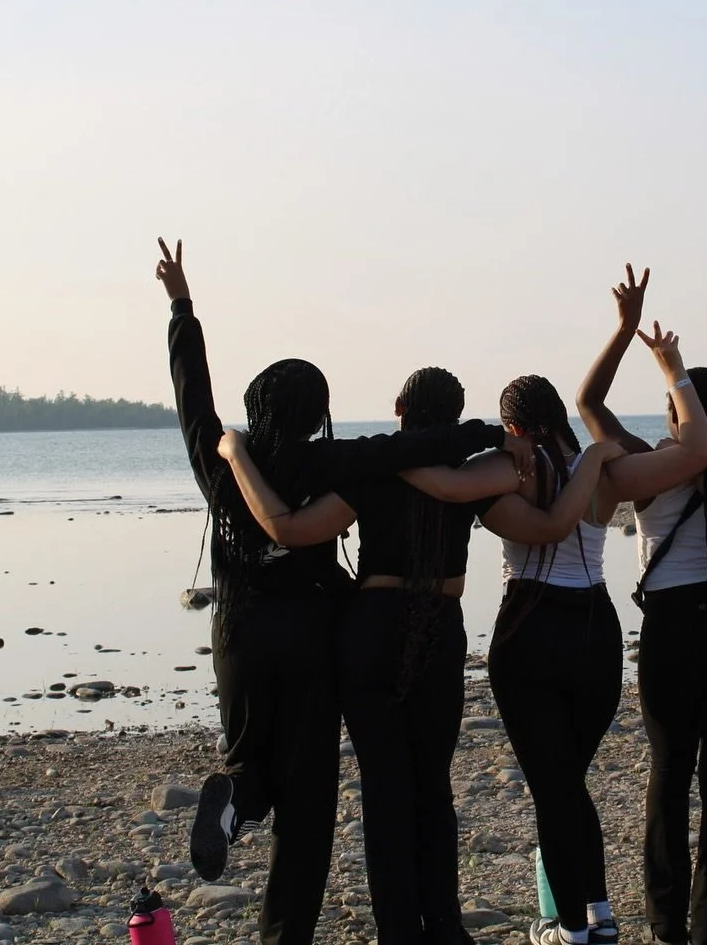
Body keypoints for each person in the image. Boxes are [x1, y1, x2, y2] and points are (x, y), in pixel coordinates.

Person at [154, 239, 530, 945]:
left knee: (251, 758)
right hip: (315, 636)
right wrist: (485, 435)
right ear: (316, 412)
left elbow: (190, 398)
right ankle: (290, 934)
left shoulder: (219, 461)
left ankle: (235, 792)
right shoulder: (331, 459)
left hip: (239, 636)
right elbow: (403, 451)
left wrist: (182, 312)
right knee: (310, 805)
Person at [218, 366, 624, 945]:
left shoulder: (371, 475)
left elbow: (290, 531)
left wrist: (236, 455)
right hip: (440, 627)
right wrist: (584, 462)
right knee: (433, 788)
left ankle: (400, 932)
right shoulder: (467, 484)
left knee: (385, 792)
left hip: (371, 630)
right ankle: (446, 926)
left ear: (402, 408)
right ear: (454, 418)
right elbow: (547, 527)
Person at [406, 323, 707, 945]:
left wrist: (384, 462)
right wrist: (672, 369)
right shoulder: (602, 472)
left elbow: (450, 487)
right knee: (569, 779)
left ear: (511, 426)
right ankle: (597, 913)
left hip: (531, 627)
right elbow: (699, 450)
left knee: (554, 785)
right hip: (598, 634)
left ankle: (570, 928)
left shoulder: (508, 467)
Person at [575, 265, 707, 945]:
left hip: (674, 626)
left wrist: (627, 332)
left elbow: (586, 403)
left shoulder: (652, 469)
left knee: (668, 777)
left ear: (675, 414)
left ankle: (665, 926)